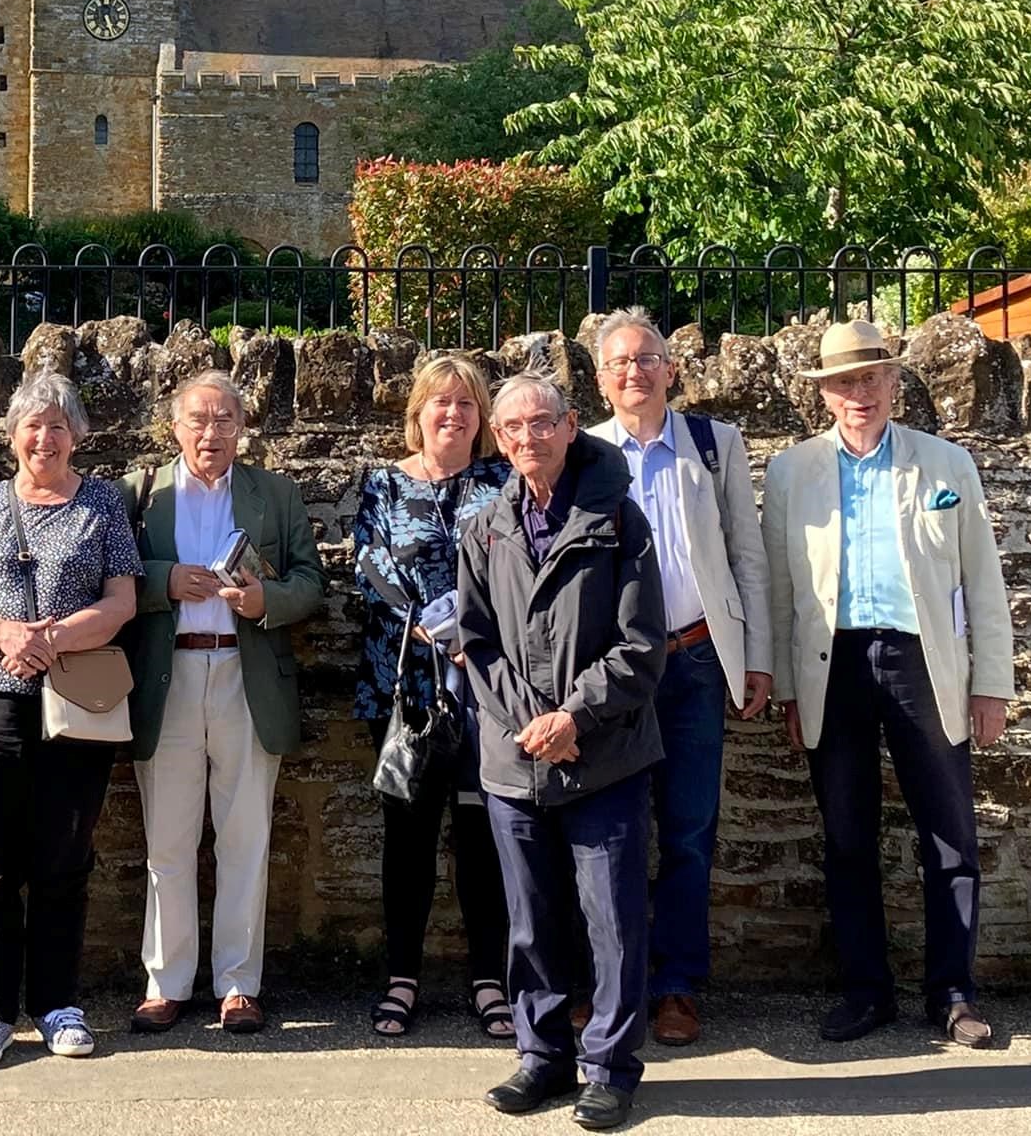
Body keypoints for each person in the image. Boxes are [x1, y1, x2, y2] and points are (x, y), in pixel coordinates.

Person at [762, 319, 1013, 1049]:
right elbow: (781, 590)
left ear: (895, 384)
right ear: (824, 395)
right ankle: (867, 992)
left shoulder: (946, 466)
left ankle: (954, 993)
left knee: (951, 835)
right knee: (847, 837)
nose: (858, 393)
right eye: (844, 382)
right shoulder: (791, 472)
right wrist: (786, 687)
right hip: (830, 666)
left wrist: (990, 684)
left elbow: (984, 584)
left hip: (921, 662)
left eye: (871, 378)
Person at [456, 373, 665, 1131]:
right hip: (515, 761)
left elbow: (642, 647)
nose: (525, 439)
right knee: (531, 920)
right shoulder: (484, 529)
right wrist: (530, 722)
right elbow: (476, 644)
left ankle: (610, 1067)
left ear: (572, 426)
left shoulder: (620, 520)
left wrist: (574, 716)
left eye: (540, 423)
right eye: (510, 429)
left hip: (604, 756)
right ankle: (542, 1058)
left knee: (612, 920)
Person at [0, 374, 142, 1070]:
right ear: (11, 435)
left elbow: (121, 604)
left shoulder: (104, 504)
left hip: (75, 696)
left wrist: (49, 639)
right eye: (31, 426)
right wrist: (3, 632)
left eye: (57, 426)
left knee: (64, 854)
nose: (44, 439)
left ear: (76, 435)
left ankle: (57, 1003)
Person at [585, 307, 771, 1047]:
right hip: (614, 670)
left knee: (690, 831)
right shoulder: (584, 453)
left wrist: (755, 658)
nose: (635, 371)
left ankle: (676, 985)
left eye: (647, 358)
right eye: (620, 362)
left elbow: (747, 557)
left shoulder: (714, 444)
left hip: (696, 658)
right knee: (613, 832)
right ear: (601, 380)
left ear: (670, 369)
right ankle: (613, 984)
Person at [120, 370, 325, 1036]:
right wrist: (165, 580)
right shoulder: (141, 494)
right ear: (174, 426)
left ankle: (238, 984)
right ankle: (166, 981)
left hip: (245, 672)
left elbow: (311, 583)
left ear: (243, 427)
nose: (211, 433)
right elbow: (108, 573)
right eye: (198, 420)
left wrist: (269, 602)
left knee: (244, 837)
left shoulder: (276, 493)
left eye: (225, 420)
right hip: (168, 675)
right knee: (168, 839)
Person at [351, 354, 515, 1042]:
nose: (452, 414)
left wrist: (470, 630)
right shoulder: (384, 484)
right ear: (417, 413)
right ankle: (402, 976)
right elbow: (369, 565)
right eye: (440, 403)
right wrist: (425, 621)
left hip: (488, 686)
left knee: (485, 838)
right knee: (409, 840)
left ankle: (490, 980)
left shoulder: (504, 481)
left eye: (467, 405)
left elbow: (520, 565)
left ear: (482, 420)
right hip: (408, 688)